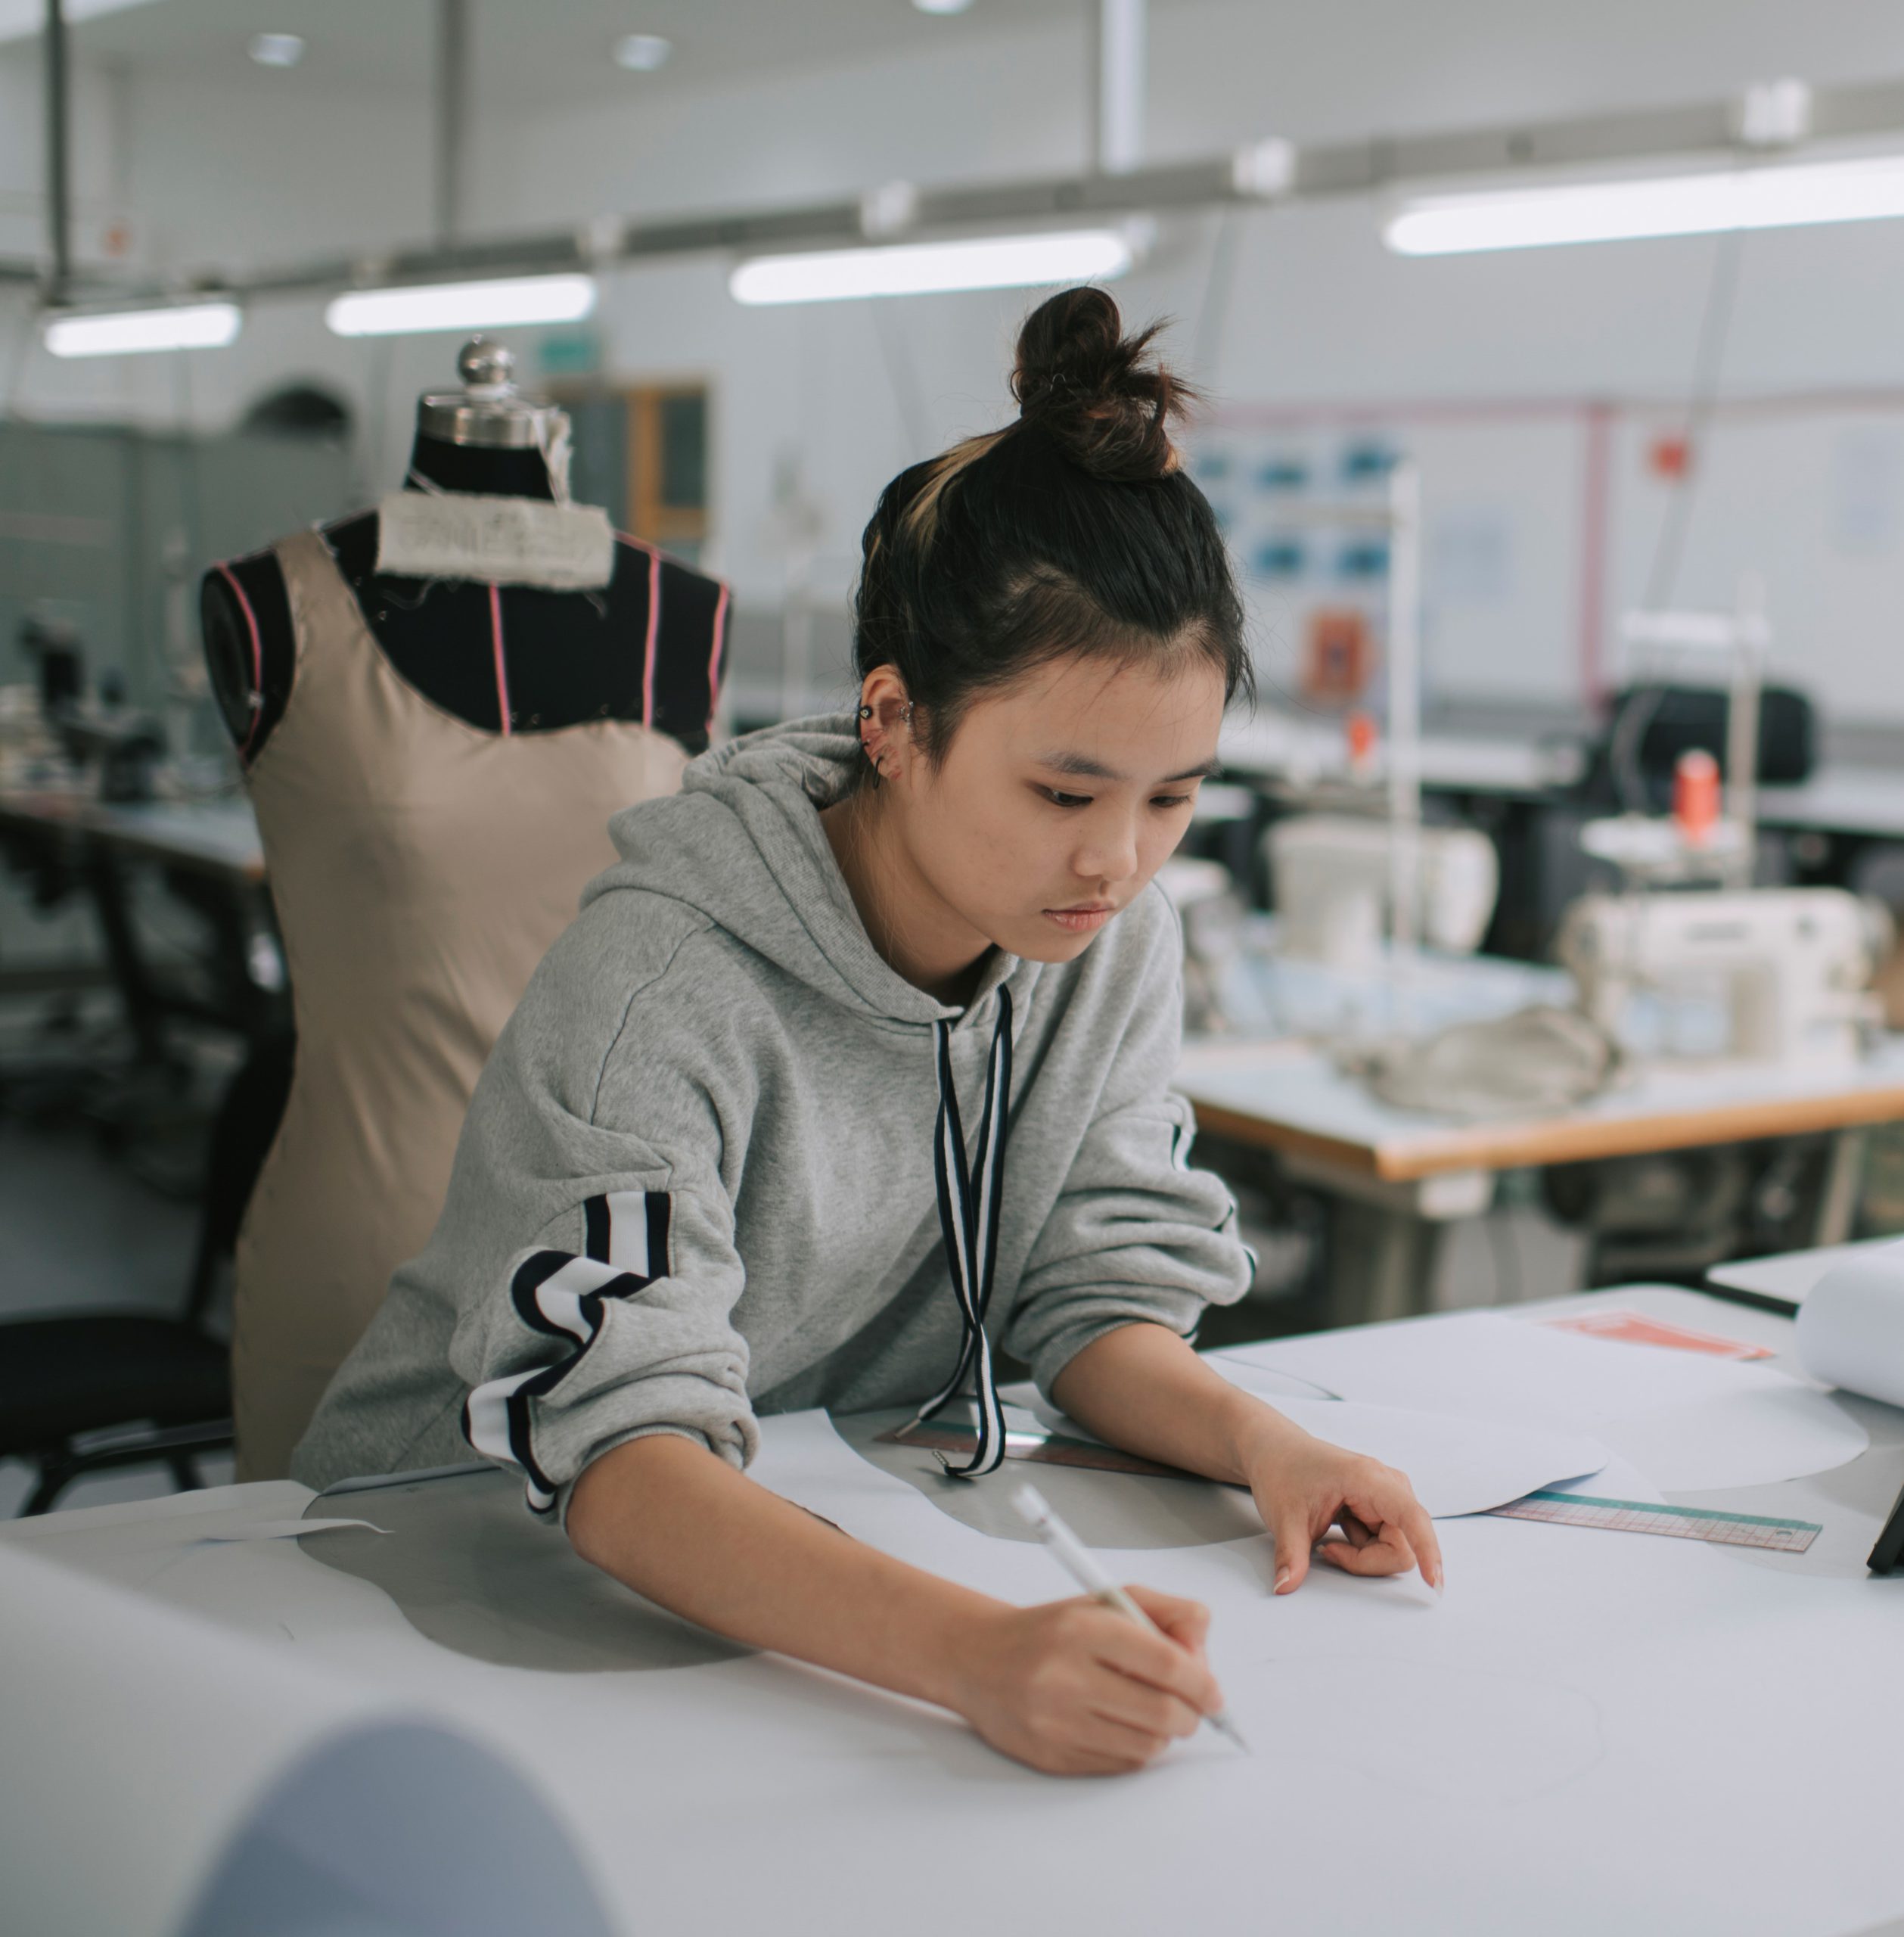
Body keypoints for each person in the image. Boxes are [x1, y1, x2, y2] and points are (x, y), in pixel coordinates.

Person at [294, 286, 1443, 1777]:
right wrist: (973, 1654)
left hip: (792, 1534)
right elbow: (618, 1445)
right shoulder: (665, 982)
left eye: (1172, 797)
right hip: (434, 1556)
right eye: (1062, 793)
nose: (1118, 861)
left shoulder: (1103, 938)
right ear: (892, 722)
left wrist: (1263, 1443)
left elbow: (1087, 1287)